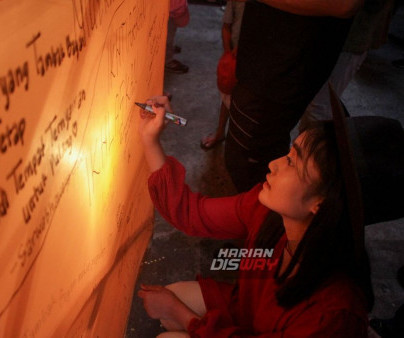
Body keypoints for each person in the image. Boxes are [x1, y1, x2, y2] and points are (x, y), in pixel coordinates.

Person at [136, 95, 404, 336]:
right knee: (172, 300)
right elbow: (191, 214)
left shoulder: (333, 313)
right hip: (252, 314)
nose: (274, 163)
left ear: (322, 203)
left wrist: (183, 317)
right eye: (288, 153)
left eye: (292, 162)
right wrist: (150, 140)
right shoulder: (267, 210)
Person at [224, 0, 363, 192]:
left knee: (251, 166)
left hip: (280, 73)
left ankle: (265, 218)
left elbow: (344, 4)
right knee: (251, 159)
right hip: (269, 67)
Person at [299, 0, 396, 130]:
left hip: (349, 38)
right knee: (316, 103)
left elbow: (348, 7)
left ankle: (314, 147)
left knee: (319, 105)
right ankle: (311, 145)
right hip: (326, 32)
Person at [200, 0, 244, 150]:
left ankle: (238, 140)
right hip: (234, 57)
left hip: (254, 60)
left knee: (245, 103)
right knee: (226, 95)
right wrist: (228, 54)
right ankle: (220, 132)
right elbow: (226, 26)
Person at [165, 0, 190, 74]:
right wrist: (181, 10)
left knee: (169, 32)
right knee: (167, 37)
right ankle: (167, 61)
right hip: (170, 10)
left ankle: (168, 51)